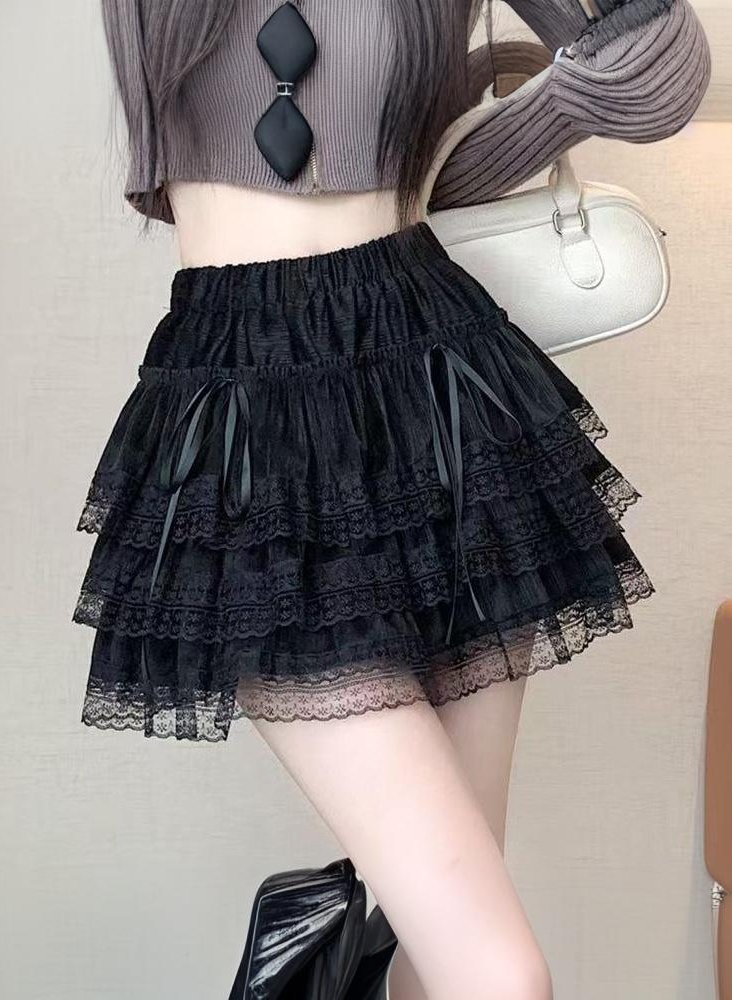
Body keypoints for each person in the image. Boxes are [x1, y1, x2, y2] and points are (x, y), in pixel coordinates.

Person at [74, 2, 711, 998]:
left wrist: (536, 107)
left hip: (439, 388)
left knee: (438, 960)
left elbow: (659, 72)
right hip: (248, 409)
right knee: (498, 974)